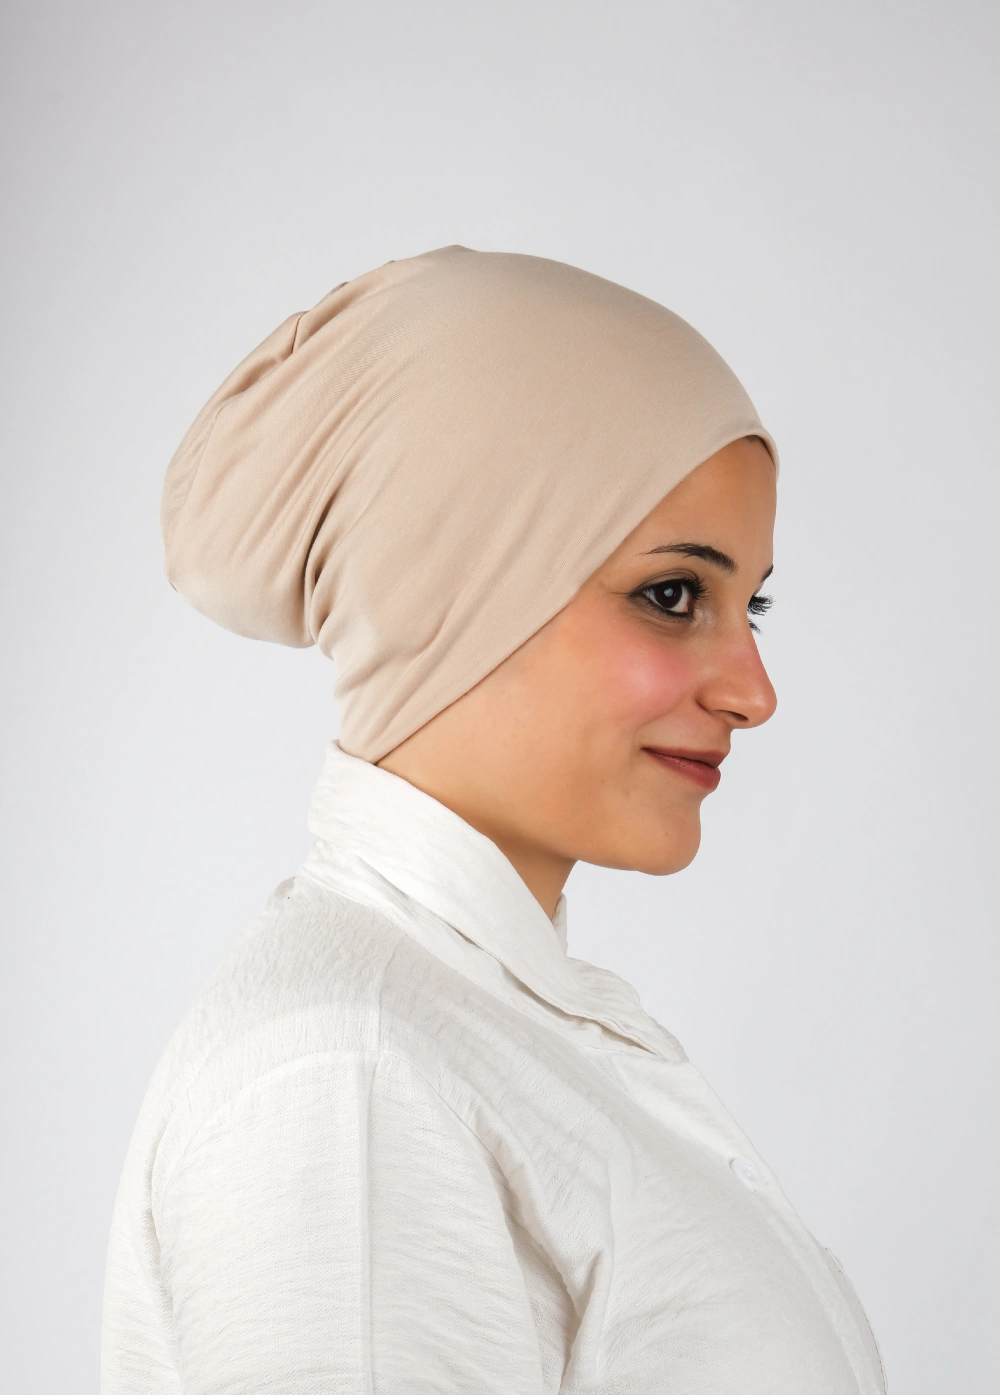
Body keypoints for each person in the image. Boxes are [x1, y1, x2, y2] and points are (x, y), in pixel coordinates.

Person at [102, 246, 886, 1393]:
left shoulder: (472, 1032)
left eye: (748, 605)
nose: (752, 692)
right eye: (673, 595)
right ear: (451, 589)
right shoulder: (356, 1078)